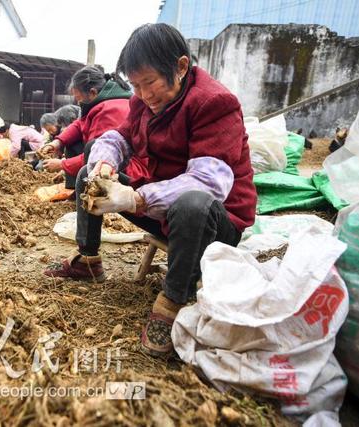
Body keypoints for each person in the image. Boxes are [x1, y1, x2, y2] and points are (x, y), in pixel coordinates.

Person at [44, 23, 257, 356]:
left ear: (181, 67)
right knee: (89, 173)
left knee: (192, 204)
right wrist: (104, 164)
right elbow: (119, 138)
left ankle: (172, 301)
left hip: (214, 222)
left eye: (150, 83)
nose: (143, 94)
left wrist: (137, 197)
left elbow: (210, 183)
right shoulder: (143, 103)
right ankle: (88, 261)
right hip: (165, 208)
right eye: (136, 85)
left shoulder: (215, 103)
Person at [39, 66, 131, 190]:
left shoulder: (110, 109)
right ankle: (74, 189)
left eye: (79, 98)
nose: (78, 103)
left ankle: (87, 192)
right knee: (73, 143)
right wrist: (57, 142)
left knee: (90, 147)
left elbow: (99, 153)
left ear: (93, 92)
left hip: (120, 169)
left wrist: (62, 164)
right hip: (104, 160)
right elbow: (79, 124)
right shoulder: (99, 103)